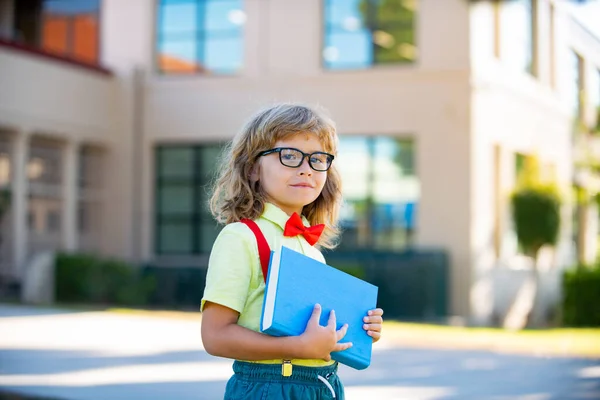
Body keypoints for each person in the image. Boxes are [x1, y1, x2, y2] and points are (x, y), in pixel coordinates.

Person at [201, 103, 384, 400]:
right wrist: (297, 348)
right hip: (270, 387)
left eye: (317, 159)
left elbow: (312, 333)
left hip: (323, 386)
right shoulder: (242, 237)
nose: (305, 169)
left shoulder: (311, 248)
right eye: (289, 155)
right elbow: (215, 336)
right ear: (252, 168)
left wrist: (359, 331)